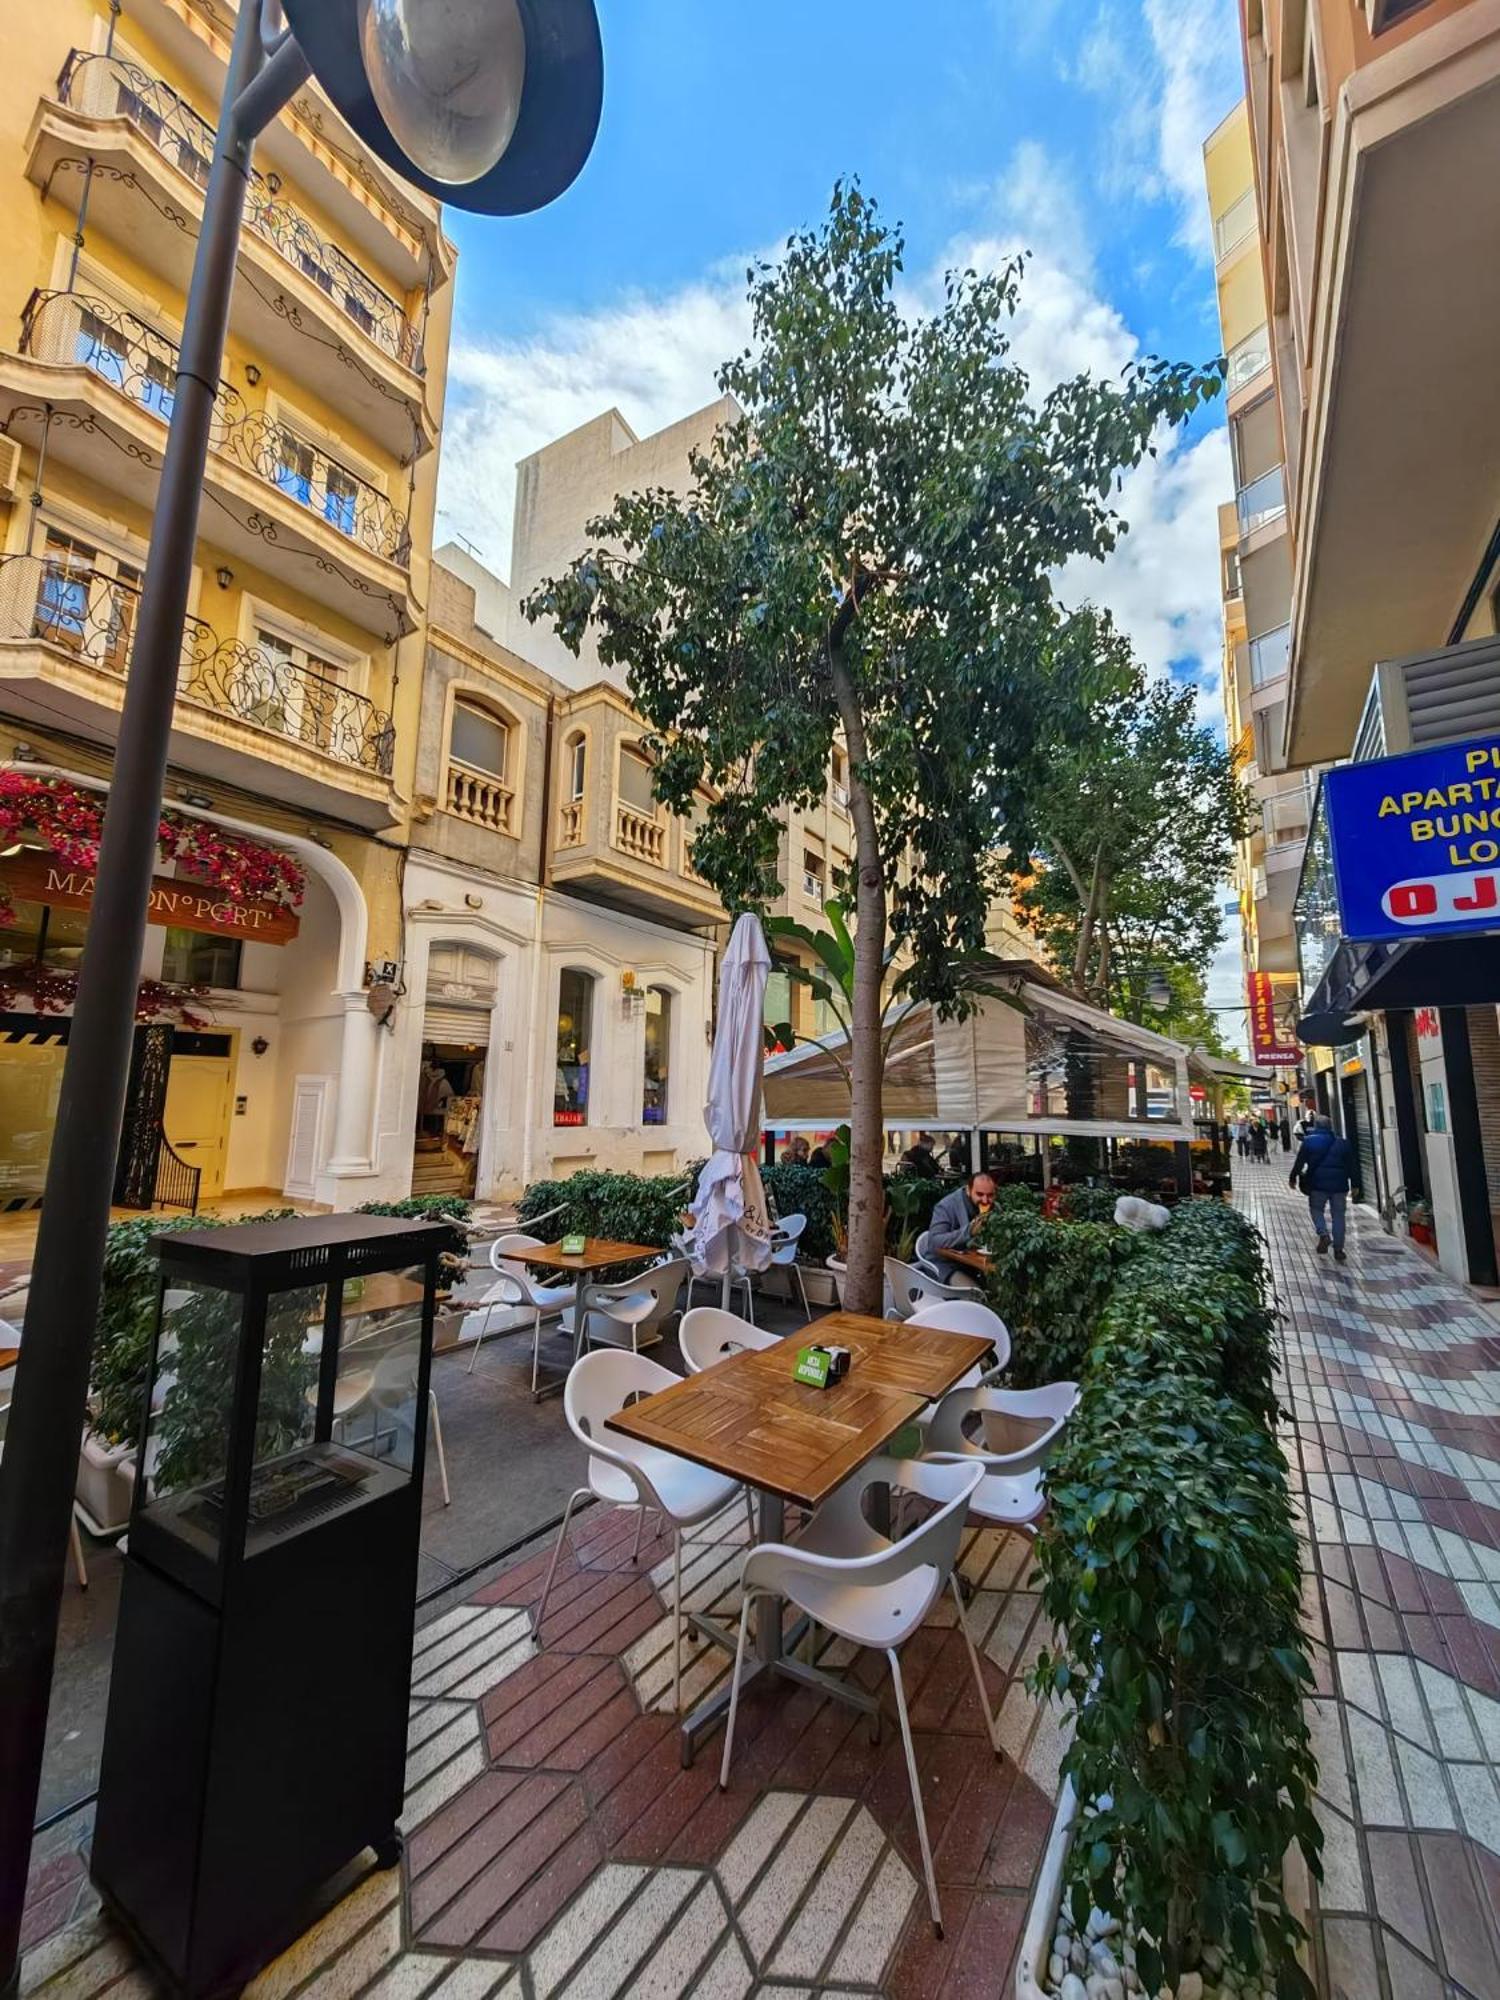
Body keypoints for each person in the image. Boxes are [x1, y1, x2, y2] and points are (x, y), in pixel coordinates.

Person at [1289, 1113, 1355, 1263]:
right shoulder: (1343, 1143)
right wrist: (1356, 1184)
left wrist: (1293, 1177)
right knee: (1339, 1215)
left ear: (1316, 1126)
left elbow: (1300, 1162)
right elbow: (1352, 1165)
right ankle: (1339, 1249)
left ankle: (1323, 1233)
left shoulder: (1308, 1142)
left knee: (1316, 1209)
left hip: (1317, 1183)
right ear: (1330, 1126)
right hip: (1339, 1185)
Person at [927, 1172, 997, 1261]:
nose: (985, 1200)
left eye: (990, 1195)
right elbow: (934, 1242)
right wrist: (969, 1232)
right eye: (979, 1194)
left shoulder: (994, 1207)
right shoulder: (946, 1206)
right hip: (946, 1264)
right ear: (968, 1190)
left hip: (976, 1263)